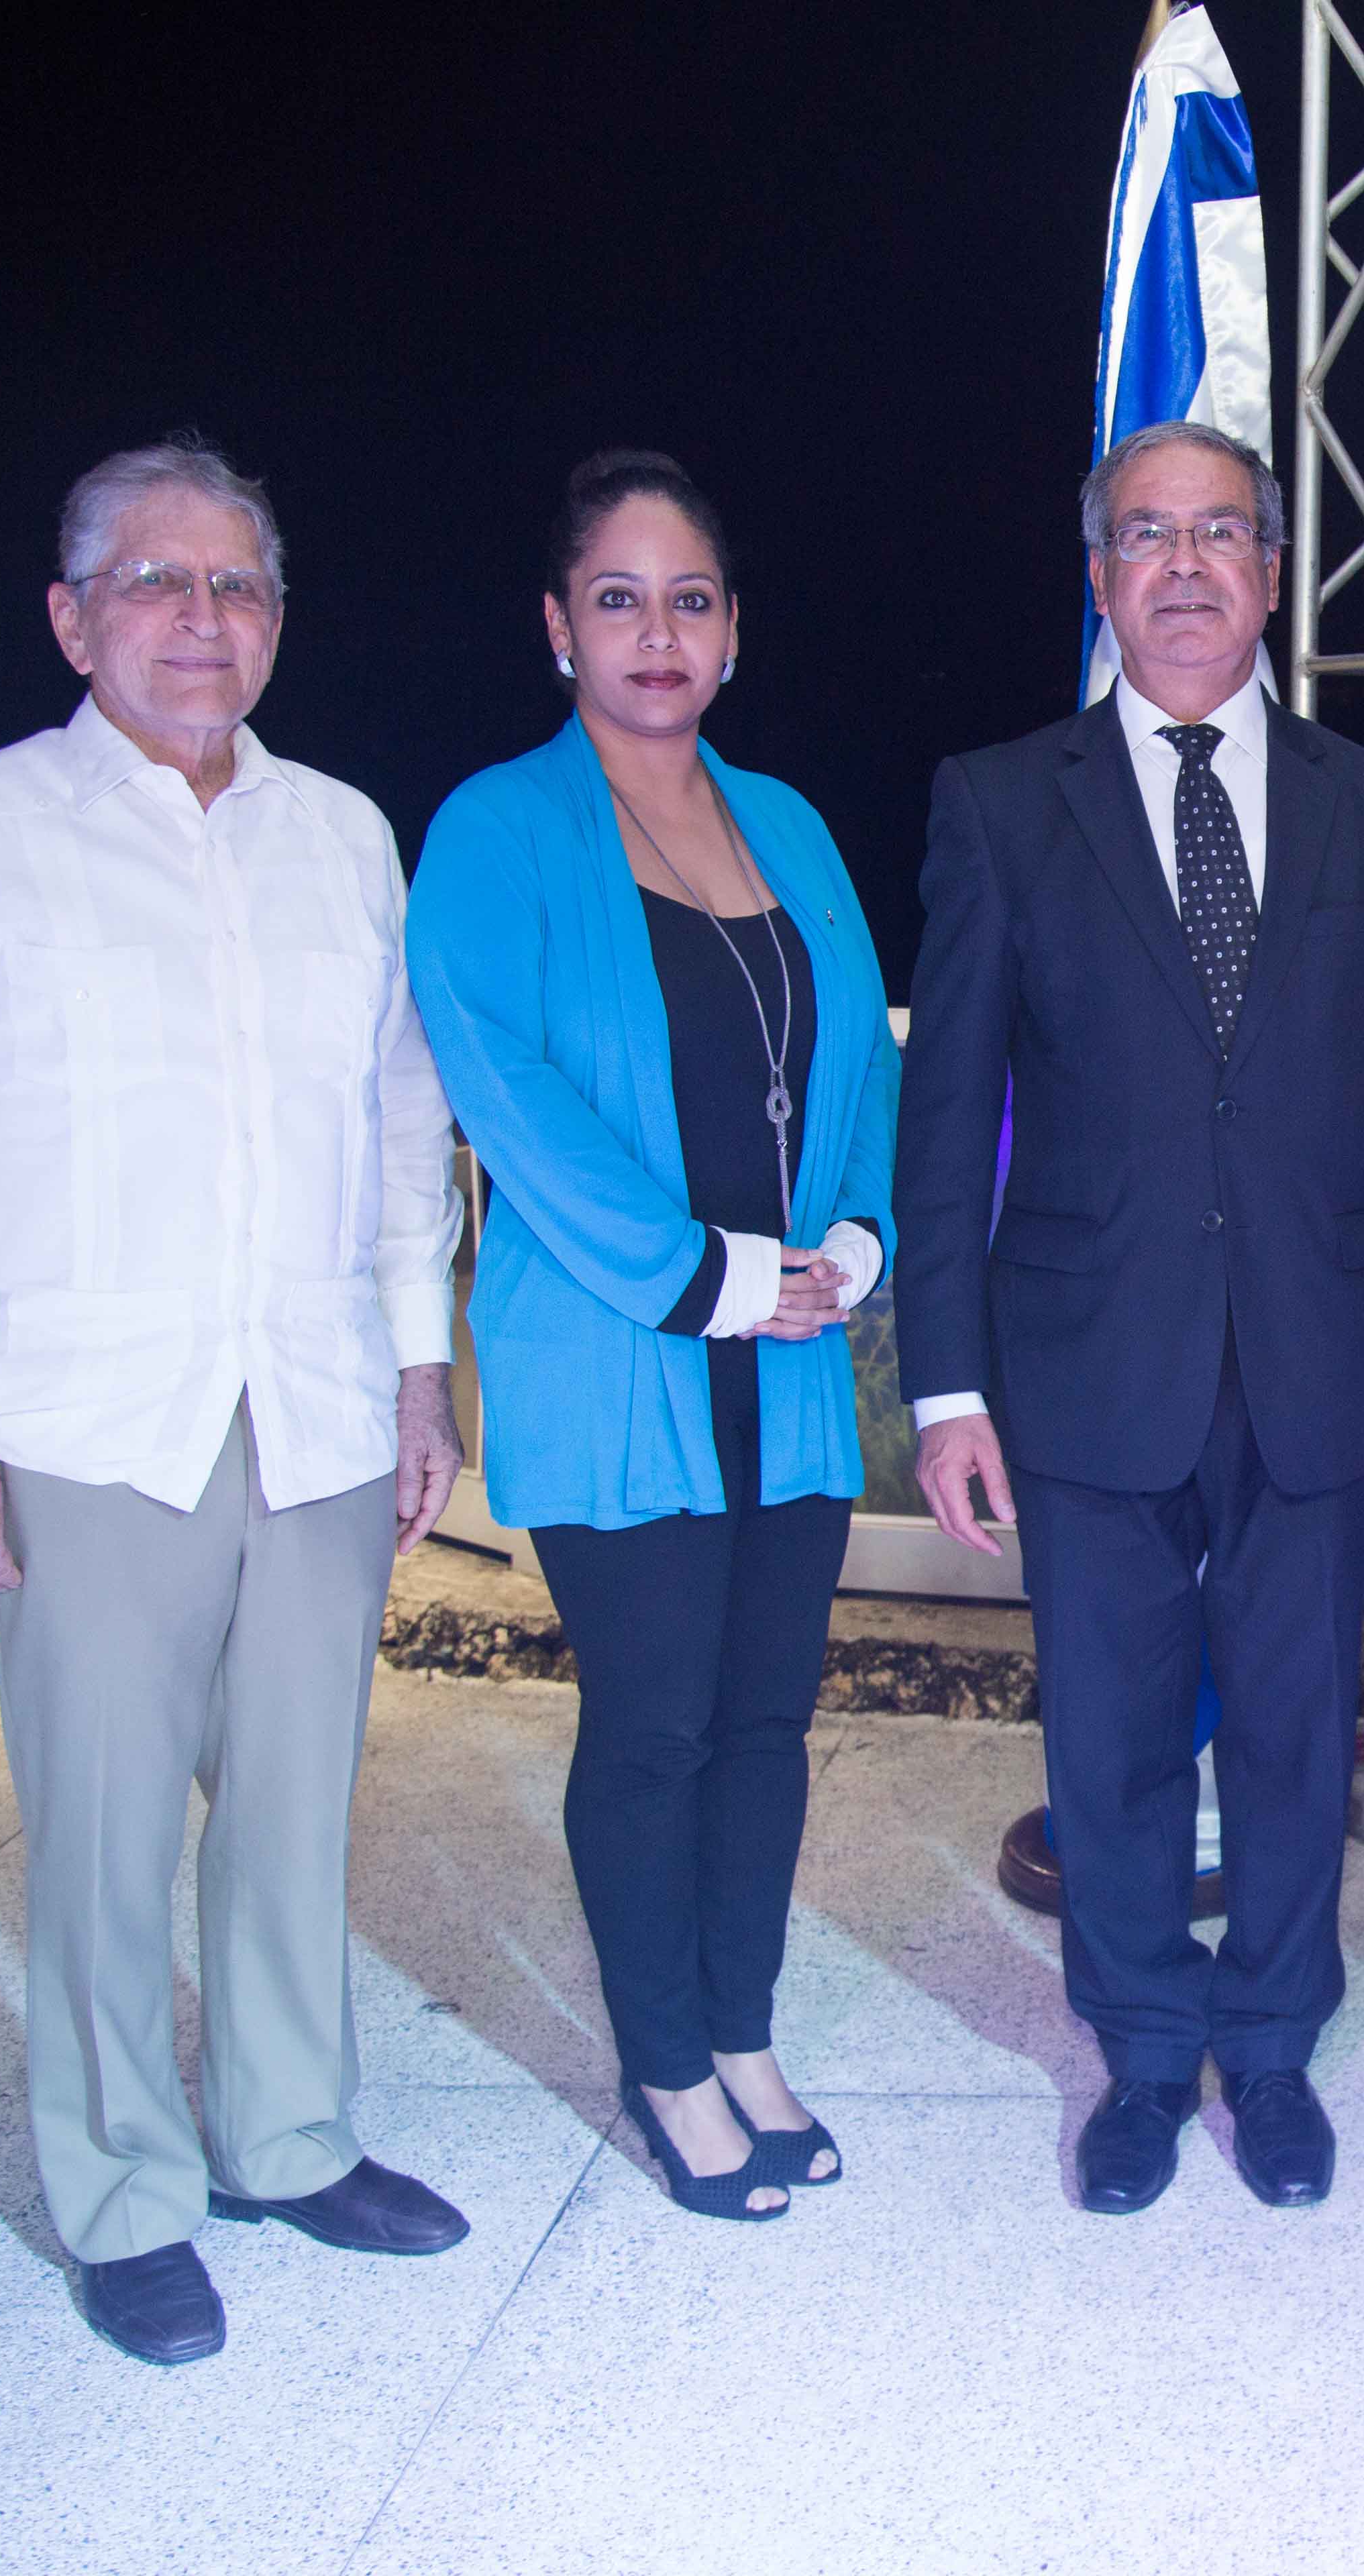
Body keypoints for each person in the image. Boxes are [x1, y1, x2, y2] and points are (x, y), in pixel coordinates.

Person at [0, 439, 470, 2365]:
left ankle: (286, 2135)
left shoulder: (342, 832)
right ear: (70, 616)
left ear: (277, 621)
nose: (202, 621)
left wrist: (420, 1367)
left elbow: (397, 1121)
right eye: (155, 584)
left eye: (238, 587)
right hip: (86, 1424)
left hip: (320, 1413)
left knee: (295, 1808)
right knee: (99, 1831)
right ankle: (120, 2189)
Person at [894, 421, 1364, 2214]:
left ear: (1278, 572)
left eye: (1226, 531)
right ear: (1101, 572)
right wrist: (948, 1390)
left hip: (1318, 1369)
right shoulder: (1001, 800)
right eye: (1149, 535)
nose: (1190, 565)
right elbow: (944, 1119)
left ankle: (1275, 2050)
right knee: (1114, 1739)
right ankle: (1144, 2058)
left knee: (1299, 1736)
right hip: (1082, 1377)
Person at [405, 451, 899, 2222]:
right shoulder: (497, 832)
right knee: (655, 1729)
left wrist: (852, 1233)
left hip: (789, 1365)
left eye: (689, 598)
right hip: (625, 1359)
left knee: (769, 1726)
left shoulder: (794, 823)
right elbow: (505, 1090)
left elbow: (863, 1063)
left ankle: (747, 2032)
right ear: (558, 628)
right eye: (619, 598)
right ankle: (668, 2061)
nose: (656, 631)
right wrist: (699, 1274)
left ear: (735, 630)